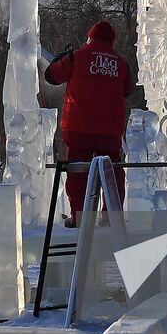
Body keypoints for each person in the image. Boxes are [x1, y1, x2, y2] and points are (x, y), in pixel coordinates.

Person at [43, 20, 132, 224]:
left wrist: (63, 58)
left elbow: (52, 76)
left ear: (90, 37)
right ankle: (112, 216)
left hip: (78, 128)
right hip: (110, 132)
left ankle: (81, 218)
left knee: (78, 172)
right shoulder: (121, 63)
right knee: (111, 170)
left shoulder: (77, 57)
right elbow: (127, 90)